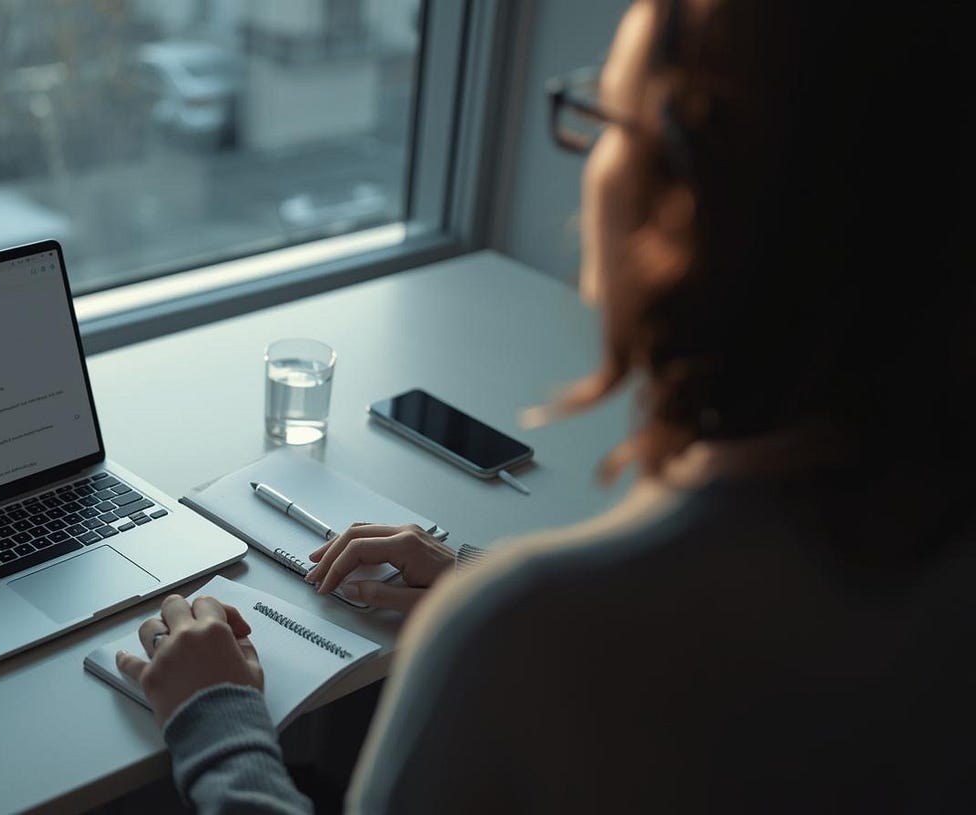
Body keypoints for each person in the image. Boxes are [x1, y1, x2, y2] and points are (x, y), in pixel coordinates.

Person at [115, 0, 974, 810]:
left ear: (680, 201)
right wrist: (476, 575)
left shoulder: (528, 638)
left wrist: (218, 714)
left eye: (605, 118)